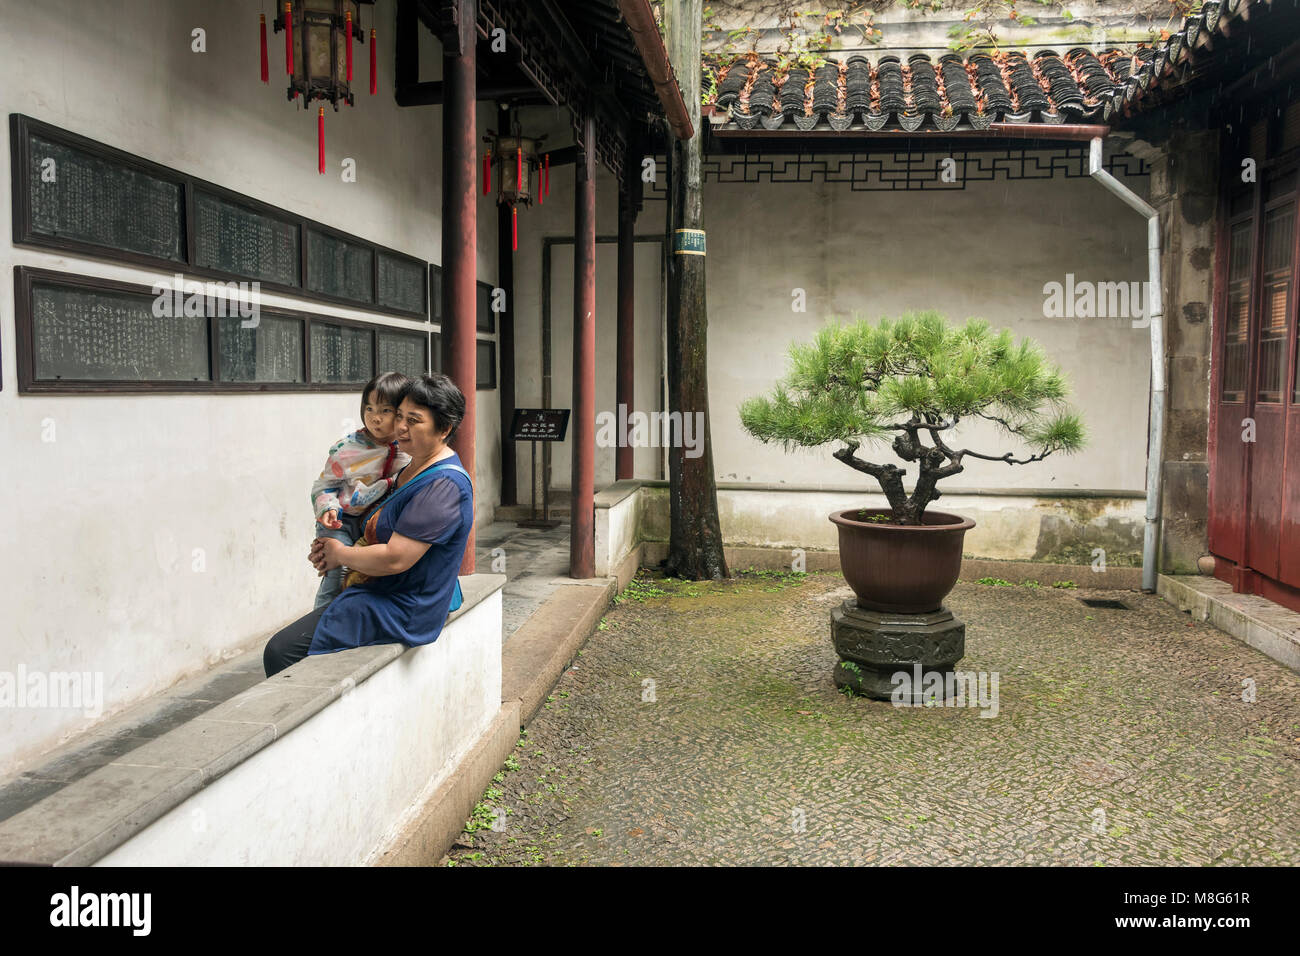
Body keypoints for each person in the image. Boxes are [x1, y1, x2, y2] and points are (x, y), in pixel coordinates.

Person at [264, 373, 474, 677]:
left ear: (444, 429)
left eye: (414, 420)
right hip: (381, 587)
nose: (400, 426)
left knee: (282, 650)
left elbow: (395, 557)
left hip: (403, 605)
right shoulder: (409, 465)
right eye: (399, 415)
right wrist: (329, 545)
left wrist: (341, 555)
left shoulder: (443, 484)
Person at [308, 372, 412, 609]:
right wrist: (328, 508)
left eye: (385, 410)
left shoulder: (408, 448)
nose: (375, 418)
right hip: (341, 520)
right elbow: (324, 485)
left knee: (367, 574)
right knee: (335, 573)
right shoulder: (348, 449)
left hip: (374, 520)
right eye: (369, 409)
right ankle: (318, 624)